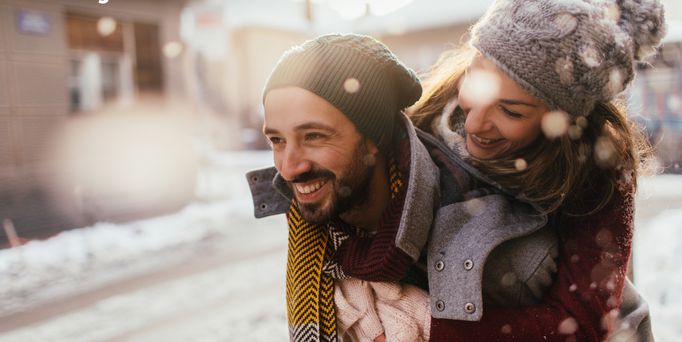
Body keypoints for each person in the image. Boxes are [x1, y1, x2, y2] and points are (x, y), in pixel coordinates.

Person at [247, 33, 560, 341]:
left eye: (314, 136)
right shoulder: (316, 238)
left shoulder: (503, 259)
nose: (288, 168)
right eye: (277, 140)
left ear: (375, 139)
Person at [406, 0, 666, 340]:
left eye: (511, 112)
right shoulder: (423, 117)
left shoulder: (598, 167)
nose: (474, 122)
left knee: (521, 258)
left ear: (563, 120)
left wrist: (422, 325)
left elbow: (581, 322)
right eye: (475, 82)